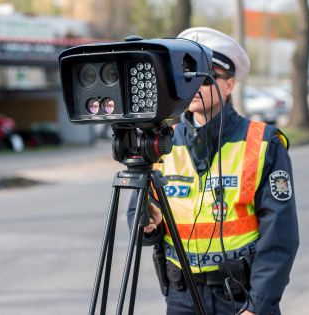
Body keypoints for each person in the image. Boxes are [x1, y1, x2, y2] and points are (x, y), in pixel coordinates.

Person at [127, 27, 299, 315]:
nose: (194, 86)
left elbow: (281, 235)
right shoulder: (160, 143)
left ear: (230, 85)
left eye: (206, 78)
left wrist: (258, 305)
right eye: (186, 77)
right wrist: (147, 225)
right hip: (181, 296)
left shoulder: (264, 142)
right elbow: (139, 219)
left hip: (242, 297)